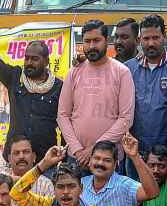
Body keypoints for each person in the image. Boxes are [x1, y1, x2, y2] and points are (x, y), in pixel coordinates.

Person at [0, 13, 62, 161]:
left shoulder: (59, 87)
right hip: (15, 159)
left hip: (45, 159)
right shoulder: (15, 77)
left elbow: (65, 124)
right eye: (27, 58)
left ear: (46, 61)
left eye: (35, 59)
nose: (29, 62)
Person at [58, 19, 135, 173]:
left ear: (107, 41)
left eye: (96, 40)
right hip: (77, 159)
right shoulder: (74, 71)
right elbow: (63, 115)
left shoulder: (121, 72)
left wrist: (94, 149)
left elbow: (126, 119)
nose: (91, 46)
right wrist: (77, 150)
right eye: (87, 41)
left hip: (108, 159)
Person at [122, 14, 167, 177]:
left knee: (164, 202)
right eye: (146, 38)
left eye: (155, 37)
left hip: (166, 157)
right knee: (136, 201)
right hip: (135, 154)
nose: (151, 43)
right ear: (140, 40)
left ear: (164, 37)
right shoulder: (128, 69)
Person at [80, 134, 159, 206]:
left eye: (107, 160)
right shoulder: (81, 184)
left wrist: (135, 156)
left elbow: (153, 192)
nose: (100, 163)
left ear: (116, 164)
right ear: (90, 161)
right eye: (97, 158)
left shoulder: (124, 185)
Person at [0, 134, 55, 198]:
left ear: (34, 157)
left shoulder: (45, 184)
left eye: (26, 152)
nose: (21, 156)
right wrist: (10, 180)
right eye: (16, 153)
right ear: (9, 159)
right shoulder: (2, 176)